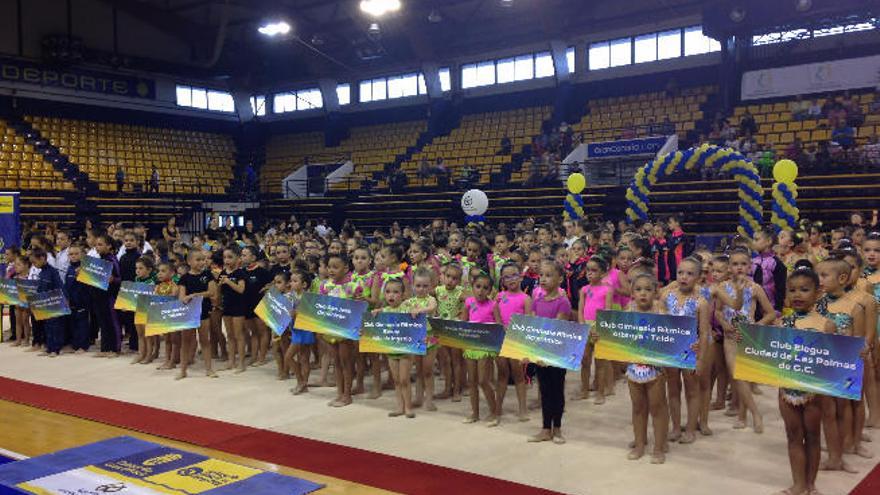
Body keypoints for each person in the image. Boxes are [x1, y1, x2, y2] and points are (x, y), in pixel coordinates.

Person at [775, 261, 836, 495]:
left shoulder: (826, 325)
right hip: (787, 388)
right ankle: (798, 483)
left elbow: (835, 360)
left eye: (804, 289)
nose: (797, 295)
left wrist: (858, 354)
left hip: (814, 390)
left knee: (812, 435)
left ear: (818, 292)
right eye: (792, 290)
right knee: (793, 435)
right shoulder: (782, 324)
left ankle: (811, 484)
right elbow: (770, 353)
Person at [660, 256, 711, 444]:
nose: (684, 277)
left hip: (690, 352)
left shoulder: (701, 303)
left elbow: (704, 333)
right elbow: (662, 325)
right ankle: (675, 427)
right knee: (672, 389)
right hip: (671, 350)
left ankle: (690, 428)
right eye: (681, 272)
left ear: (698, 278)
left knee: (692, 391)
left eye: (690, 274)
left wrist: (701, 359)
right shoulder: (667, 297)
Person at [527, 259, 572, 445]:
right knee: (544, 390)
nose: (543, 279)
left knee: (557, 390)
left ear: (560, 278)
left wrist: (546, 353)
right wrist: (533, 352)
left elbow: (556, 330)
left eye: (548, 275)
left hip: (556, 353)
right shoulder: (537, 301)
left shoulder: (563, 303)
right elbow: (534, 327)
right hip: (540, 353)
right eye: (541, 276)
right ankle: (546, 428)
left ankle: (558, 428)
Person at [461, 272, 500, 426]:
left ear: (490, 290)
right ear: (472, 287)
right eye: (478, 287)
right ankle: (474, 413)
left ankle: (494, 412)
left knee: (483, 380)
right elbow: (463, 323)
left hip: (486, 346)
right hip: (471, 345)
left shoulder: (493, 305)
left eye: (485, 288)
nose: (481, 291)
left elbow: (498, 326)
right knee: (472, 381)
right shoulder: (469, 303)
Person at [494, 263, 531, 422]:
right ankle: (497, 408)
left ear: (521, 276)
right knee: (502, 374)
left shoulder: (526, 298)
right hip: (501, 339)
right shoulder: (499, 296)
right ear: (502, 279)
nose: (511, 279)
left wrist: (518, 332)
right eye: (507, 277)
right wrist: (501, 326)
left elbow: (529, 322)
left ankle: (523, 409)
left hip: (517, 340)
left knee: (518, 375)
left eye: (514, 275)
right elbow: (495, 316)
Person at [576, 255, 614, 404]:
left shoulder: (607, 290)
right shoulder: (584, 290)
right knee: (585, 361)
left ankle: (600, 393)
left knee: (600, 363)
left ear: (603, 272)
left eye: (594, 270)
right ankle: (584, 390)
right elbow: (580, 310)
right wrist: (584, 326)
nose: (590, 273)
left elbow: (608, 311)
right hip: (586, 326)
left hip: (600, 327)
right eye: (588, 270)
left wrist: (600, 328)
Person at [178, 249, 218, 380]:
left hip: (203, 312)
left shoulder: (208, 275)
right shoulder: (184, 278)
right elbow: (181, 297)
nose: (202, 262)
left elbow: (212, 292)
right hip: (189, 313)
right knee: (185, 342)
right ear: (189, 262)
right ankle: (183, 370)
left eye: (203, 259)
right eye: (198, 260)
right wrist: (186, 298)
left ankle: (209, 369)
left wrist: (196, 295)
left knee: (205, 341)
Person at [404, 268, 439, 411]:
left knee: (428, 370)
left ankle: (429, 399)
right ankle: (418, 398)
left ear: (430, 287)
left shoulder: (431, 299)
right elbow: (396, 309)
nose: (421, 289)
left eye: (425, 286)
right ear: (413, 286)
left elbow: (432, 308)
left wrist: (419, 310)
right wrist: (378, 311)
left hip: (429, 337)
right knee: (417, 370)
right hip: (415, 338)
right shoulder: (409, 301)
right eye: (418, 286)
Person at [31, 248, 64, 357]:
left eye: (35, 262)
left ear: (42, 258)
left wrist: (62, 300)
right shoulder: (41, 273)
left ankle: (55, 349)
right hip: (44, 302)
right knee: (47, 326)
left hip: (54, 302)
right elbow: (40, 288)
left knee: (55, 326)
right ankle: (49, 348)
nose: (34, 265)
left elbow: (59, 286)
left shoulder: (53, 272)